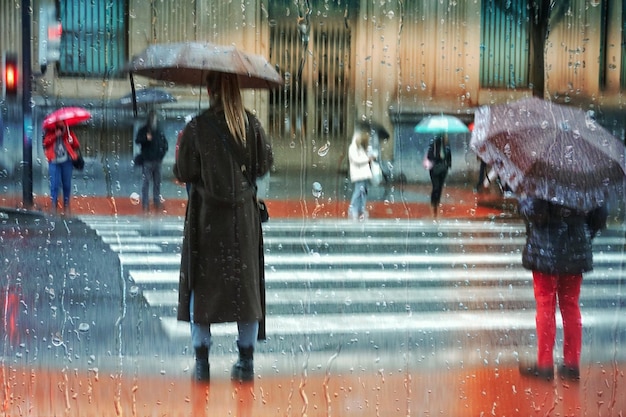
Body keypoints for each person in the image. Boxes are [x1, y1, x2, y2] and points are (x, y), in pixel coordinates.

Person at [173, 71, 273, 382]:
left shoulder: (197, 127)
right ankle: (246, 361)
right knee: (246, 286)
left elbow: (183, 171)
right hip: (243, 218)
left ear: (209, 89)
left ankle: (202, 363)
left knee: (201, 287)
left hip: (206, 220)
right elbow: (264, 164)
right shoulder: (251, 124)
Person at [518, 197, 608, 381]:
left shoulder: (546, 176)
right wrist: (582, 232)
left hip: (546, 245)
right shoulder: (588, 178)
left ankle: (544, 364)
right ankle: (571, 363)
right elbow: (600, 215)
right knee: (570, 304)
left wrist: (522, 205)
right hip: (576, 245)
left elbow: (536, 211)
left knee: (545, 303)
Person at [43, 121, 81, 214]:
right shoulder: (50, 133)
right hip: (54, 161)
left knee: (66, 184)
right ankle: (54, 204)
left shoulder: (68, 133)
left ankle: (66, 204)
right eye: (58, 127)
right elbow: (45, 143)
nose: (60, 129)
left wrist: (71, 139)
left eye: (62, 127)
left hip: (67, 161)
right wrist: (55, 135)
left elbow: (76, 145)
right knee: (54, 184)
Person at [135, 110, 168, 212]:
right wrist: (146, 138)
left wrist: (161, 156)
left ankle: (156, 201)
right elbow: (138, 140)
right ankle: (145, 204)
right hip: (148, 161)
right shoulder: (144, 130)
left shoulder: (159, 131)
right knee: (146, 183)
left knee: (157, 183)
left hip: (157, 161)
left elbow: (165, 145)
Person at [348, 130, 375, 220]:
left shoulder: (362, 148)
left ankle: (361, 208)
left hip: (364, 174)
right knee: (358, 191)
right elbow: (356, 160)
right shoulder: (353, 148)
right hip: (358, 174)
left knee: (363, 192)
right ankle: (352, 208)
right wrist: (367, 159)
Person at [424, 133, 451, 217]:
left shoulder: (446, 145)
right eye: (445, 136)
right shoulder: (434, 145)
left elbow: (449, 156)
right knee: (435, 187)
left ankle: (437, 204)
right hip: (435, 169)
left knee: (440, 188)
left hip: (443, 169)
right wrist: (436, 159)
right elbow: (430, 155)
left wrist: (448, 165)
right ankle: (433, 204)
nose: (446, 137)